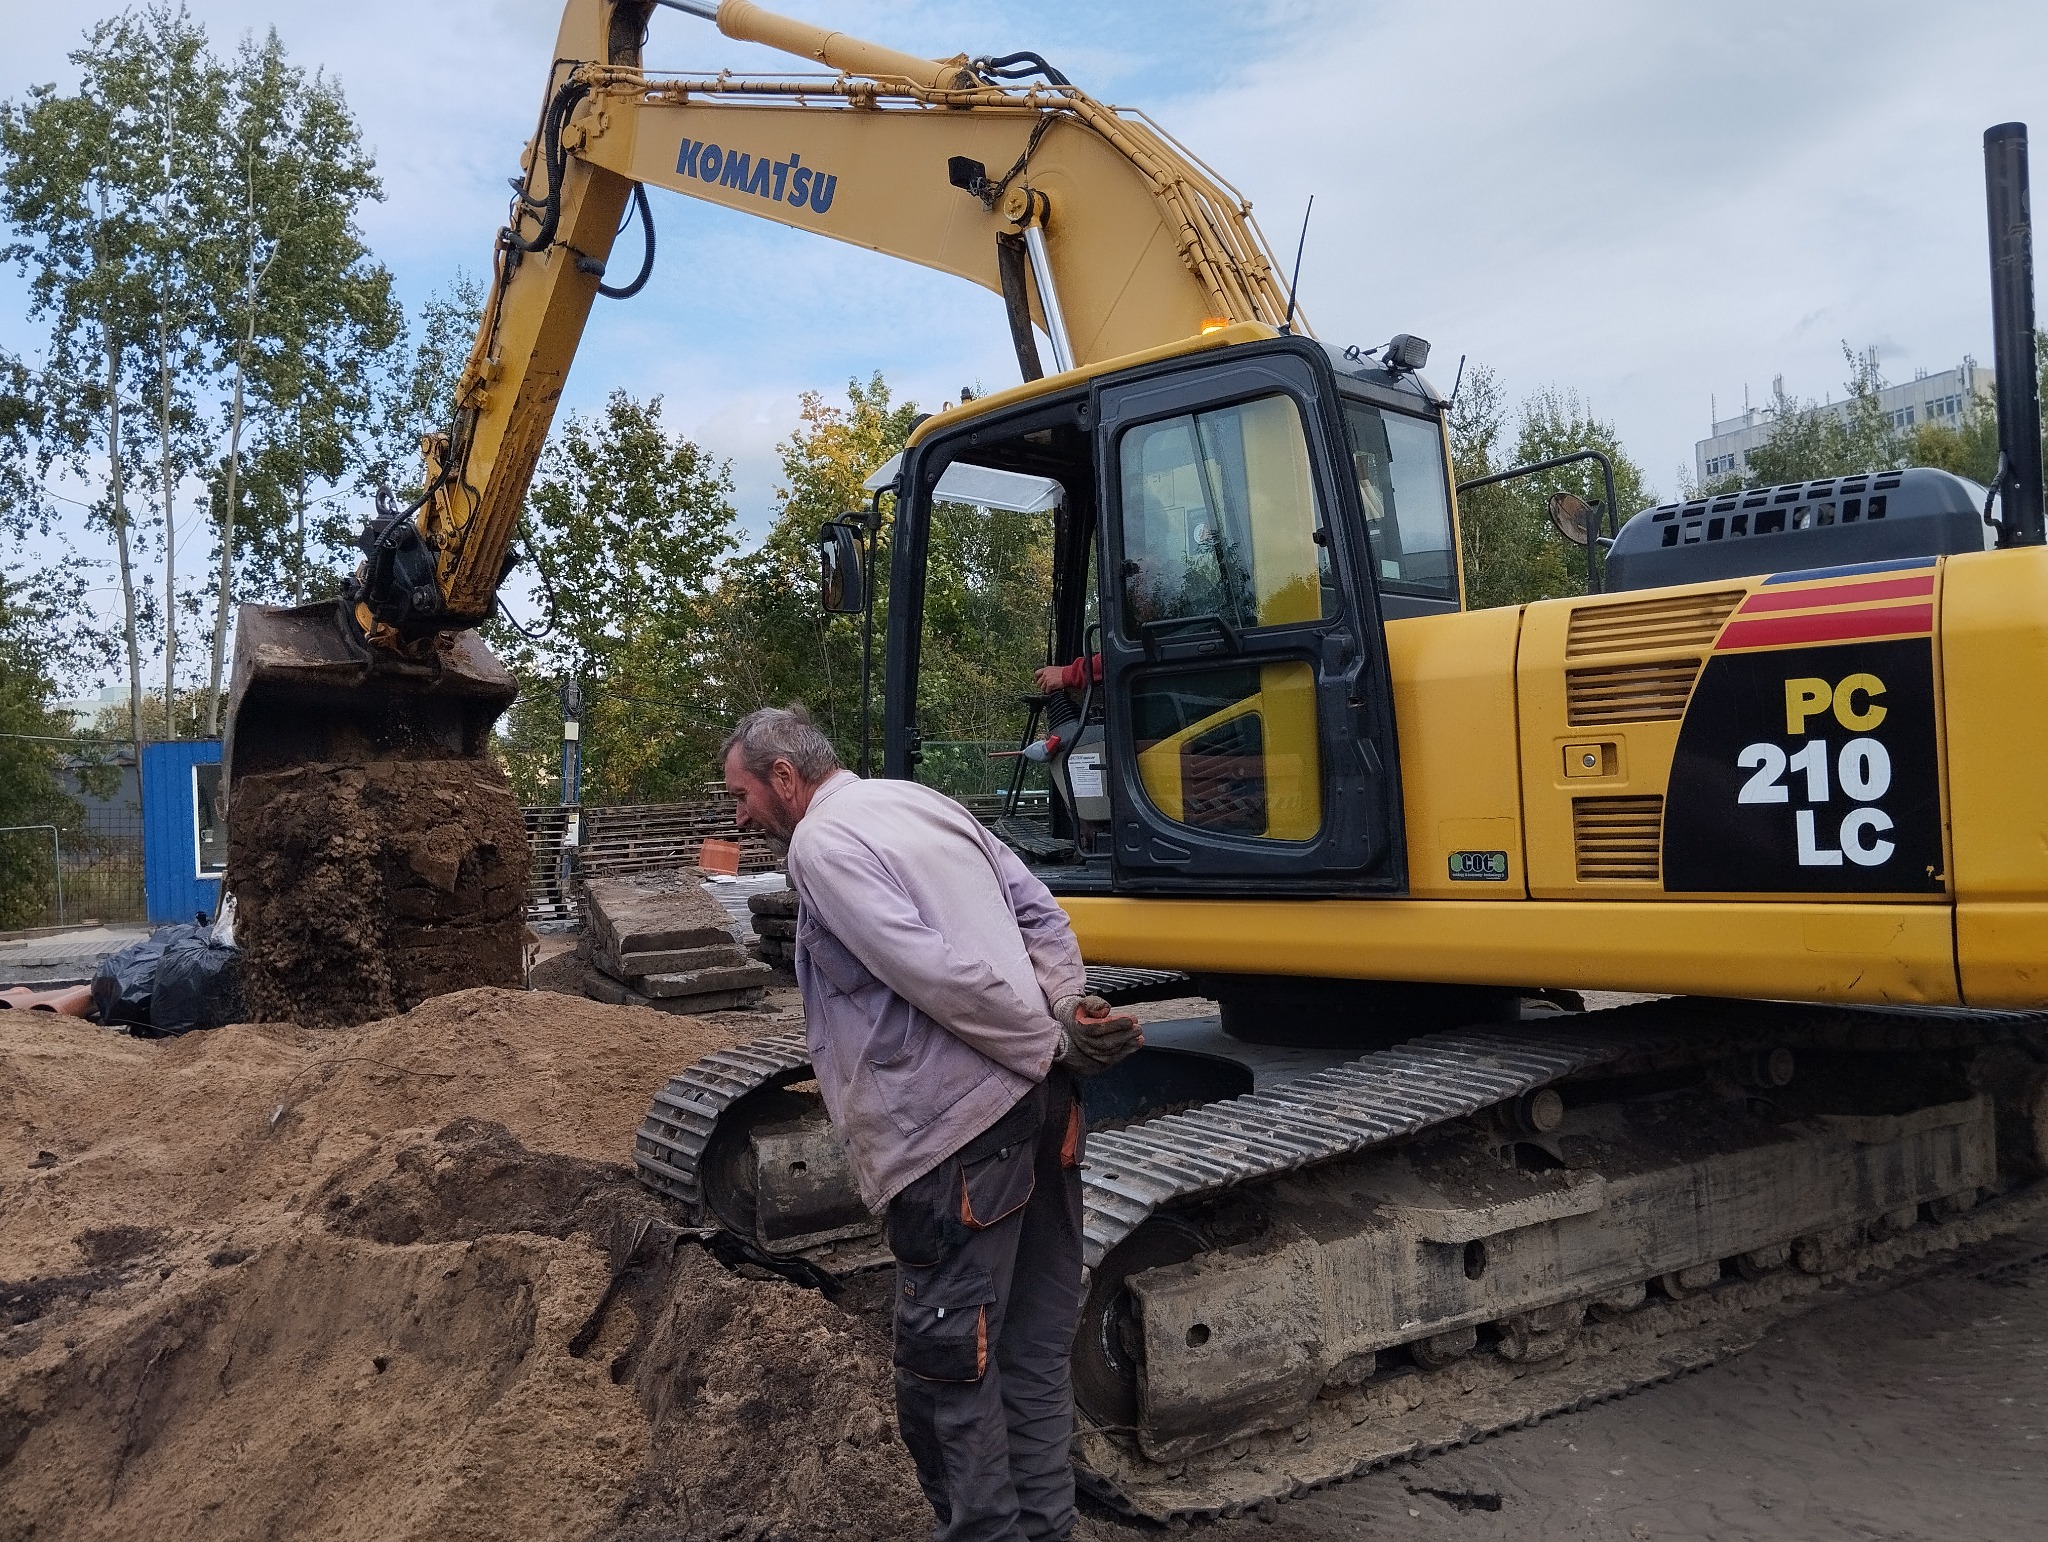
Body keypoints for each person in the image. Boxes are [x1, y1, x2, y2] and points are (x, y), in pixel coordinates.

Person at [721, 705, 1142, 1542]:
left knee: (950, 1377)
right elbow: (1041, 917)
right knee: (1028, 1348)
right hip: (1042, 1112)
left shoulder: (821, 845)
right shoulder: (923, 803)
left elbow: (930, 972)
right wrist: (1063, 1012)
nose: (737, 815)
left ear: (783, 777)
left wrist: (1040, 1040)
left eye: (740, 794)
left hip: (956, 1141)